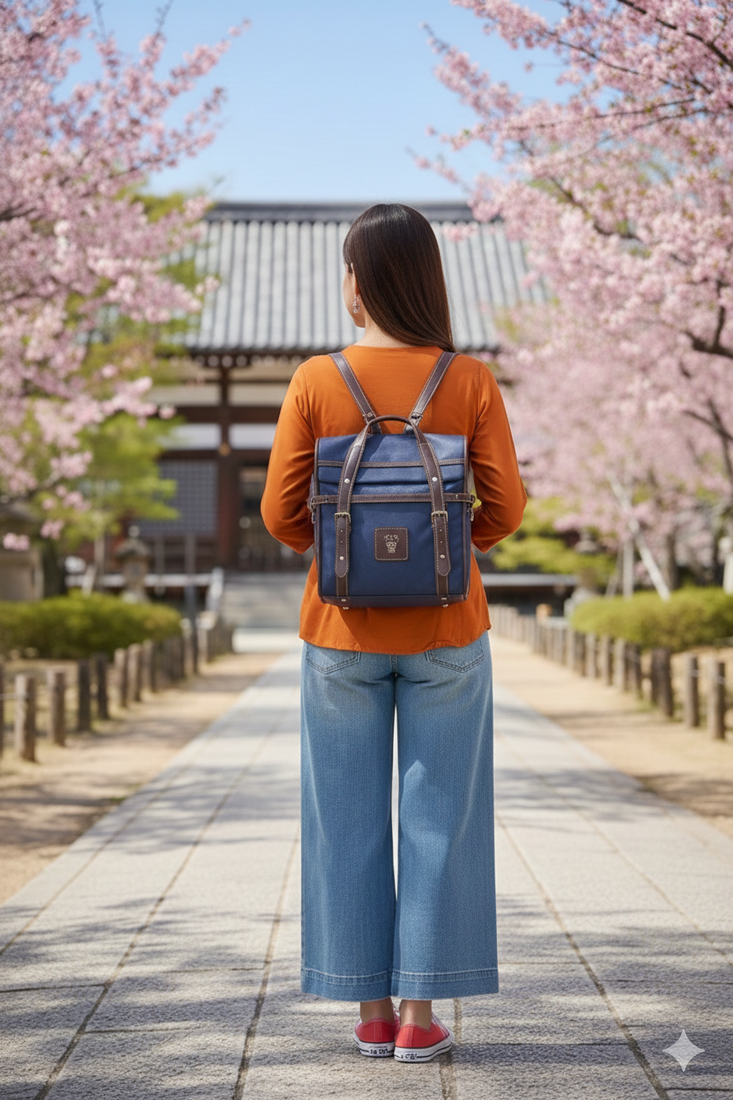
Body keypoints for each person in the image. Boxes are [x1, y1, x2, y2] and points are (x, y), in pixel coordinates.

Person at [261, 203, 526, 1062]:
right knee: (439, 818)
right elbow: (507, 507)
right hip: (450, 627)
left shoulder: (315, 378)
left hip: (338, 630)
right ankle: (420, 1016)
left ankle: (367, 1013)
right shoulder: (468, 378)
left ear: (356, 282)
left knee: (344, 819)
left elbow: (277, 514)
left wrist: (343, 560)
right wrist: (447, 558)